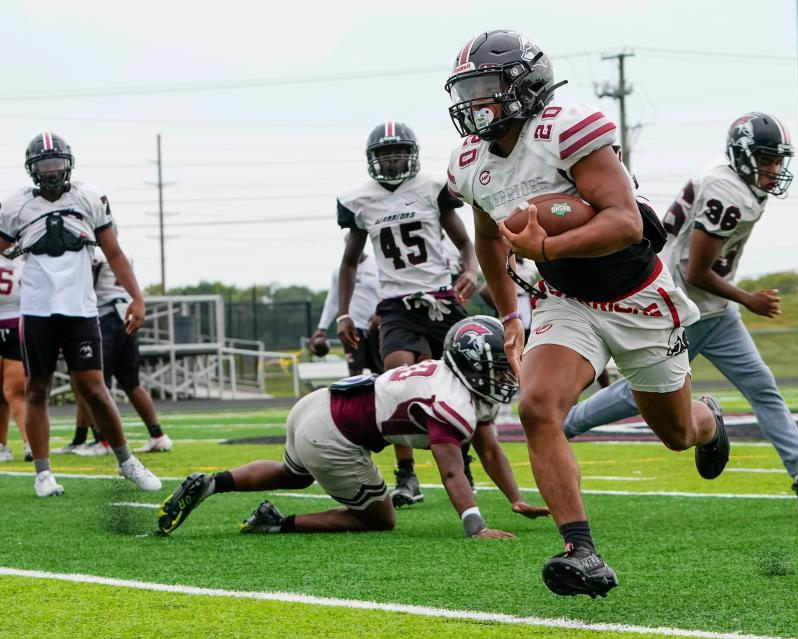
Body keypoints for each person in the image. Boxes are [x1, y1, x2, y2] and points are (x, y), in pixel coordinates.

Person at [445, 30, 728, 598]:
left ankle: (708, 419)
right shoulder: (470, 162)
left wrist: (546, 248)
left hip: (640, 296)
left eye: (487, 88)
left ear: (524, 84)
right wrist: (510, 318)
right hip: (566, 300)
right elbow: (488, 241)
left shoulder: (568, 127)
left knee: (675, 434)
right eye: (468, 90)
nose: (475, 103)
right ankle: (583, 551)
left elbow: (624, 221)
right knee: (537, 406)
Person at [562, 112, 798, 510]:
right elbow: (696, 272)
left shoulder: (735, 182)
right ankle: (566, 424)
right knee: (647, 392)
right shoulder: (727, 191)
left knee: (761, 386)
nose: (774, 170)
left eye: (777, 161)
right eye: (766, 160)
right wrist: (747, 297)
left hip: (713, 310)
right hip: (683, 305)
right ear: (744, 156)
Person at [157, 316, 548, 537]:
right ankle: (277, 523)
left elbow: (489, 448)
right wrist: (475, 525)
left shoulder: (450, 379)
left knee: (294, 475)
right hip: (334, 434)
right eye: (501, 365)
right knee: (380, 520)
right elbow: (451, 469)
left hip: (317, 405)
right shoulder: (451, 401)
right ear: (474, 364)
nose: (508, 373)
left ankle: (213, 482)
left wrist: (515, 498)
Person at [0, 132, 161, 496]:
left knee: (95, 388)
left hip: (80, 309)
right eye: (44, 165)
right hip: (37, 310)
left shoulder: (88, 198)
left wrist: (137, 298)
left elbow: (115, 253)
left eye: (57, 163)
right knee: (35, 388)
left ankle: (126, 461)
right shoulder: (15, 207)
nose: (52, 171)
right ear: (32, 170)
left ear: (69, 164)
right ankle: (43, 473)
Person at [336, 121, 479, 508]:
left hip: (441, 299)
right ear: (372, 160)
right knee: (394, 382)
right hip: (396, 304)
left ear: (411, 154)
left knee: (453, 383)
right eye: (384, 154)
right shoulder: (359, 200)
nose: (392, 159)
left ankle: (462, 463)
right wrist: (343, 314)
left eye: (397, 152)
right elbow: (349, 263)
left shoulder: (433, 188)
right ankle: (407, 475)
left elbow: (466, 243)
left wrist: (470, 269)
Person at [64, 247, 173, 455]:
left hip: (105, 318)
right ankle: (158, 435)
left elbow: (83, 284)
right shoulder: (122, 254)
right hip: (125, 314)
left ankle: (103, 441)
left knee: (90, 382)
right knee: (132, 383)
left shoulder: (96, 255)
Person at [309, 248, 383, 377]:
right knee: (355, 370)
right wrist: (322, 328)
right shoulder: (340, 271)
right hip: (353, 326)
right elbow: (332, 300)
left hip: (376, 326)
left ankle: (380, 397)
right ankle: (356, 397)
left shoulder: (377, 265)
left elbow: (389, 290)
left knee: (380, 369)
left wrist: (381, 313)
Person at [0, 253, 28, 462]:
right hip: (18, 324)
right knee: (13, 392)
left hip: (17, 325)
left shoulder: (26, 257)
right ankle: (6, 445)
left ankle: (28, 442)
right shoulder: (25, 258)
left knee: (15, 391)